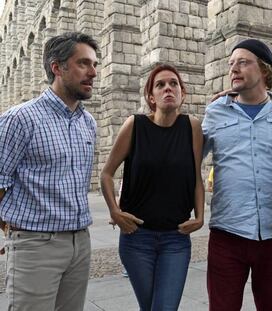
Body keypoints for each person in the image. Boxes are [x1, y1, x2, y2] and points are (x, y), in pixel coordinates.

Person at [0, 32, 99, 311]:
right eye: (84, 64)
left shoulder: (88, 122)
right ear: (57, 68)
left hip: (80, 241)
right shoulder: (20, 119)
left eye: (94, 64)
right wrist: (13, 232)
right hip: (36, 244)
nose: (93, 72)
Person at [202, 39, 272, 310]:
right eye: (231, 64)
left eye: (243, 62)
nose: (234, 68)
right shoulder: (216, 111)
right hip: (227, 234)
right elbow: (187, 159)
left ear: (265, 71)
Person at [100, 63, 204, 310]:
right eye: (160, 85)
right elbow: (106, 174)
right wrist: (114, 211)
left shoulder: (192, 126)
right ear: (151, 96)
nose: (168, 88)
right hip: (137, 238)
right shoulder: (134, 125)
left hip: (176, 239)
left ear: (182, 93)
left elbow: (197, 177)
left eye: (173, 84)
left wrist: (200, 217)